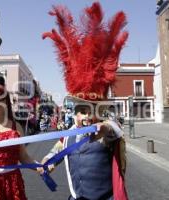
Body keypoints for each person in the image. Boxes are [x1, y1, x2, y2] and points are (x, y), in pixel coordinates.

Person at [41, 2, 128, 199]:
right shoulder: (69, 134)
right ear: (75, 113)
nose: (87, 116)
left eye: (92, 111)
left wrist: (103, 128)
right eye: (83, 111)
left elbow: (114, 129)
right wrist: (46, 163)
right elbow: (58, 151)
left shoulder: (107, 131)